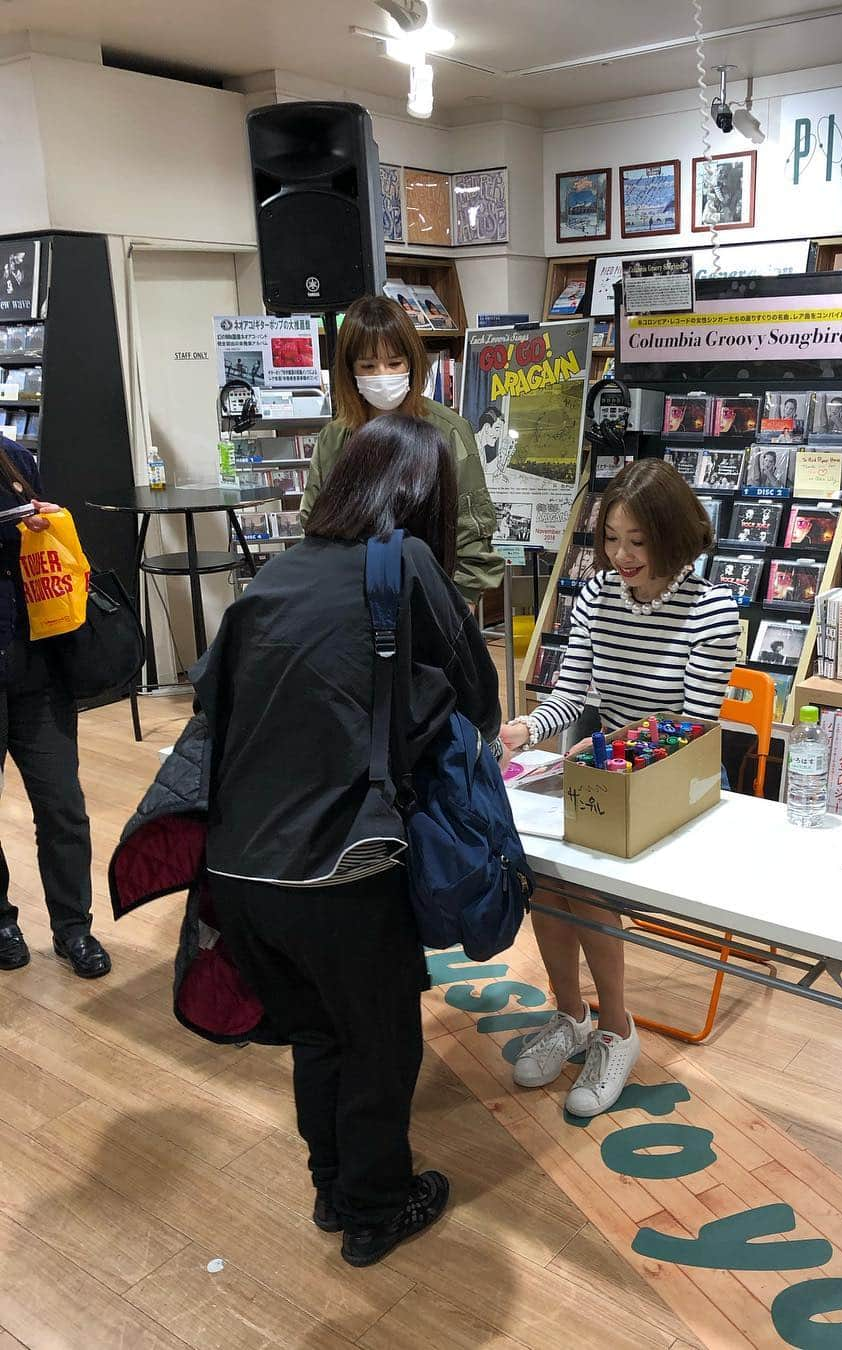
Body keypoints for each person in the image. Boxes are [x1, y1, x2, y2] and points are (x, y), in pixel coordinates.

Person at [193, 415, 501, 1266]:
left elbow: (214, 709)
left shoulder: (275, 575)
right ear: (422, 495)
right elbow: (476, 701)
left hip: (240, 865)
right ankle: (375, 1209)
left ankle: (333, 1185)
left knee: (320, 1034)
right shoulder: (406, 565)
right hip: (343, 862)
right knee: (379, 1038)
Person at [498, 459, 739, 1116]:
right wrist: (525, 729)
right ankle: (571, 1015)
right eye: (611, 539)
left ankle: (618, 1030)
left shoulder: (713, 610)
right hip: (610, 772)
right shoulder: (596, 598)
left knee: (581, 869)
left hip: (679, 779)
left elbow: (690, 730)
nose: (621, 556)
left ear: (673, 534)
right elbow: (570, 695)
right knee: (544, 867)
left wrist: (612, 749)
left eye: (638, 541)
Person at [299, 295, 502, 605]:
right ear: (350, 371)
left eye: (394, 363)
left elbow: (471, 534)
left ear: (412, 362)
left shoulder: (447, 430)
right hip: (348, 600)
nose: (383, 374)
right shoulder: (334, 439)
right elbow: (314, 527)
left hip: (428, 597)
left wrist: (456, 612)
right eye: (368, 365)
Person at [0, 444, 109, 978]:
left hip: (37, 666)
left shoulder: (13, 457)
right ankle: (1, 920)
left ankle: (74, 929)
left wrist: (48, 522)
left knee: (63, 806)